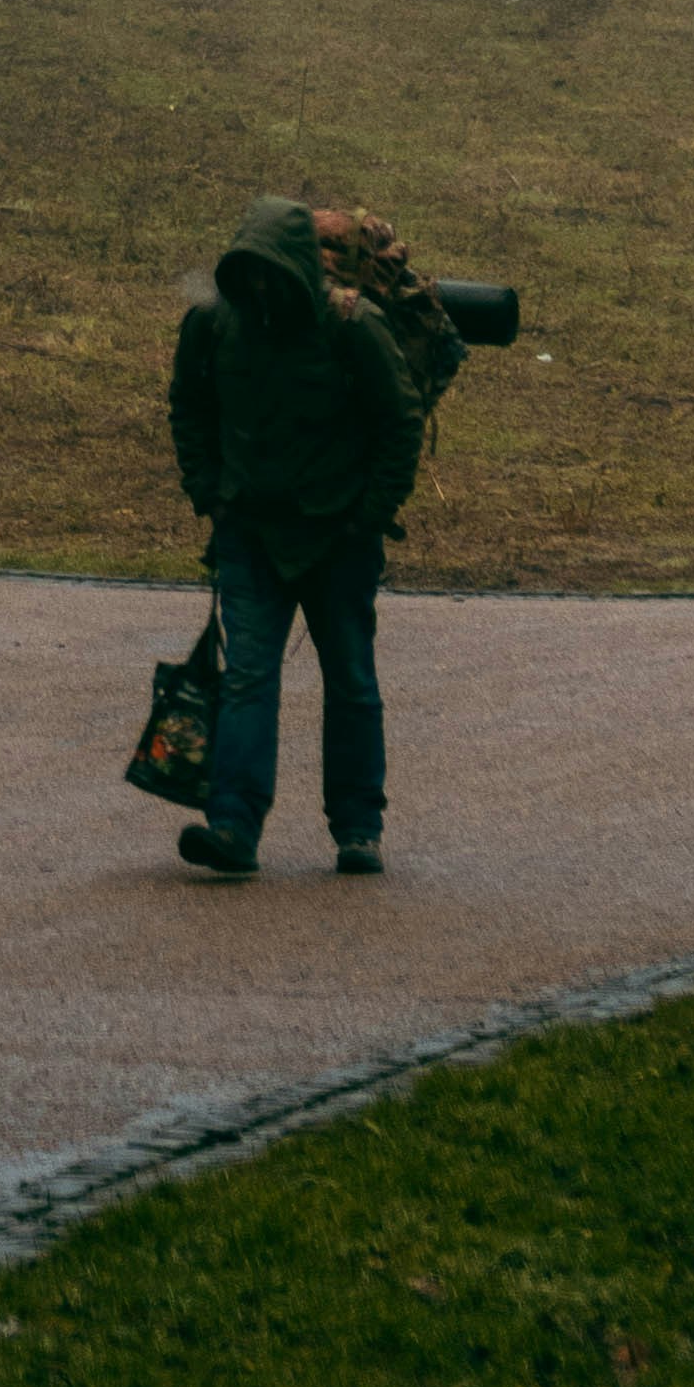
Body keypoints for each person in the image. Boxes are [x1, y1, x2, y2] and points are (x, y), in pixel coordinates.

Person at [163, 191, 426, 879]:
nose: (257, 283)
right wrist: (208, 491)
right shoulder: (212, 324)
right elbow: (188, 405)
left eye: (267, 268)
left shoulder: (354, 324)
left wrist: (368, 513)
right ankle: (233, 826)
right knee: (249, 676)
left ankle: (358, 829)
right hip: (249, 530)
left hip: (339, 534)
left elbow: (400, 419)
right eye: (245, 268)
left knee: (350, 680)